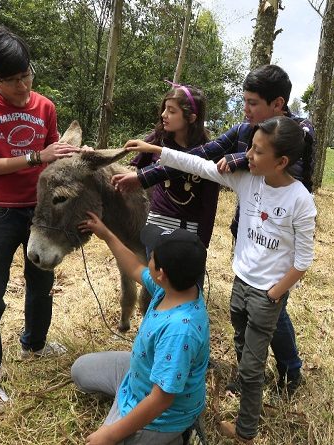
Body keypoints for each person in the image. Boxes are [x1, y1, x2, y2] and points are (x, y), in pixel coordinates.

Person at [113, 65, 312, 396]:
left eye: (252, 103)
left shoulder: (299, 133)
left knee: (273, 311)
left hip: (280, 240)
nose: (245, 110)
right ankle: (251, 374)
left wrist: (240, 160)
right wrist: (152, 159)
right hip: (250, 234)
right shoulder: (243, 129)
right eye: (244, 102)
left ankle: (290, 370)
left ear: (277, 104)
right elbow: (198, 159)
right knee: (244, 315)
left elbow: (292, 173)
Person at [124, 115, 317, 443]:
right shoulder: (249, 180)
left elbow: (303, 259)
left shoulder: (300, 200)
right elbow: (198, 165)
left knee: (252, 368)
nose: (248, 156)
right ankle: (245, 388)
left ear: (281, 161)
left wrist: (275, 293)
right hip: (241, 282)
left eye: (257, 152)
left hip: (267, 293)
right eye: (250, 148)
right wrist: (157, 149)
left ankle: (245, 432)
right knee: (241, 342)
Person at [0, 26, 81, 410]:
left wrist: (73, 154)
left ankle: (35, 342)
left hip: (39, 211)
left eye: (27, 74)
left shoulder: (44, 106)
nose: (23, 86)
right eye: (12, 80)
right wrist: (36, 157)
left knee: (41, 282)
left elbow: (55, 152)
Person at [72, 218, 210, 445]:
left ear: (161, 273)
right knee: (80, 371)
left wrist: (110, 434)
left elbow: (161, 400)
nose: (148, 260)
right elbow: (134, 267)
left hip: (163, 415)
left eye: (152, 257)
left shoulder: (180, 330)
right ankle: (126, 404)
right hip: (139, 374)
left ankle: (177, 434)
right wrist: (106, 233)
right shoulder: (173, 287)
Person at [128, 83, 218, 249]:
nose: (164, 115)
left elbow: (209, 204)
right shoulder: (158, 138)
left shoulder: (207, 151)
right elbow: (134, 171)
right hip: (154, 230)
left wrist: (202, 245)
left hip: (187, 235)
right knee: (155, 276)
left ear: (191, 118)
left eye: (171, 110)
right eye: (164, 108)